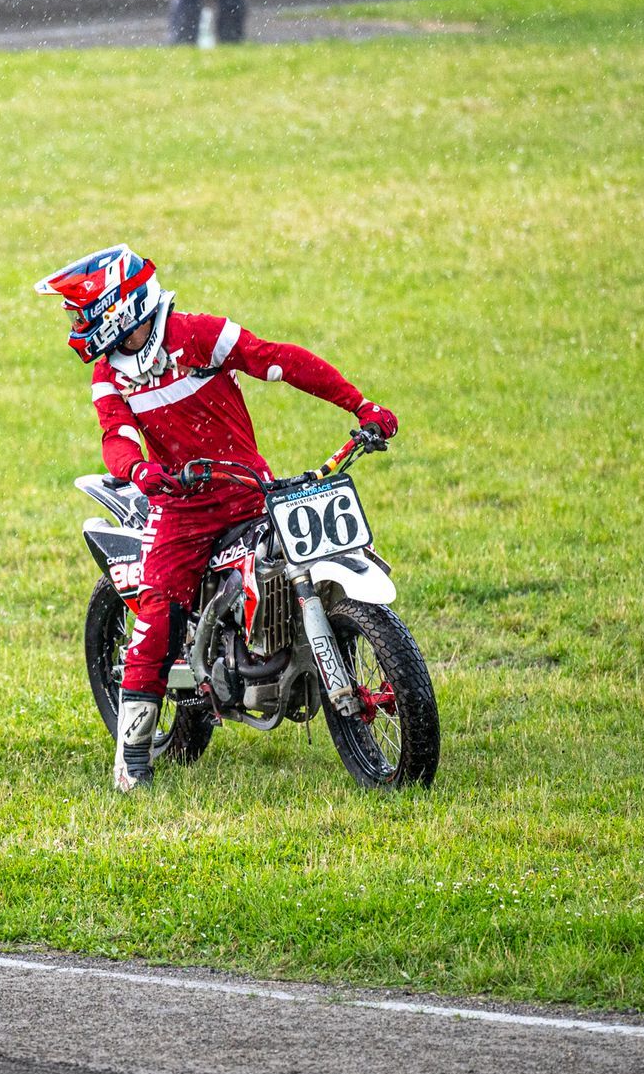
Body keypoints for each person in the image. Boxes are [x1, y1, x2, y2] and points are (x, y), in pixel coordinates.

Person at [34, 246, 396, 792]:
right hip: (180, 507)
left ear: (118, 308)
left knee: (302, 564)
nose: (76, 325)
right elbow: (117, 436)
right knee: (156, 614)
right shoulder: (109, 374)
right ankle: (131, 762)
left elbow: (278, 360)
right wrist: (139, 471)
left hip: (251, 489)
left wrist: (360, 405)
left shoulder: (198, 334)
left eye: (82, 312)